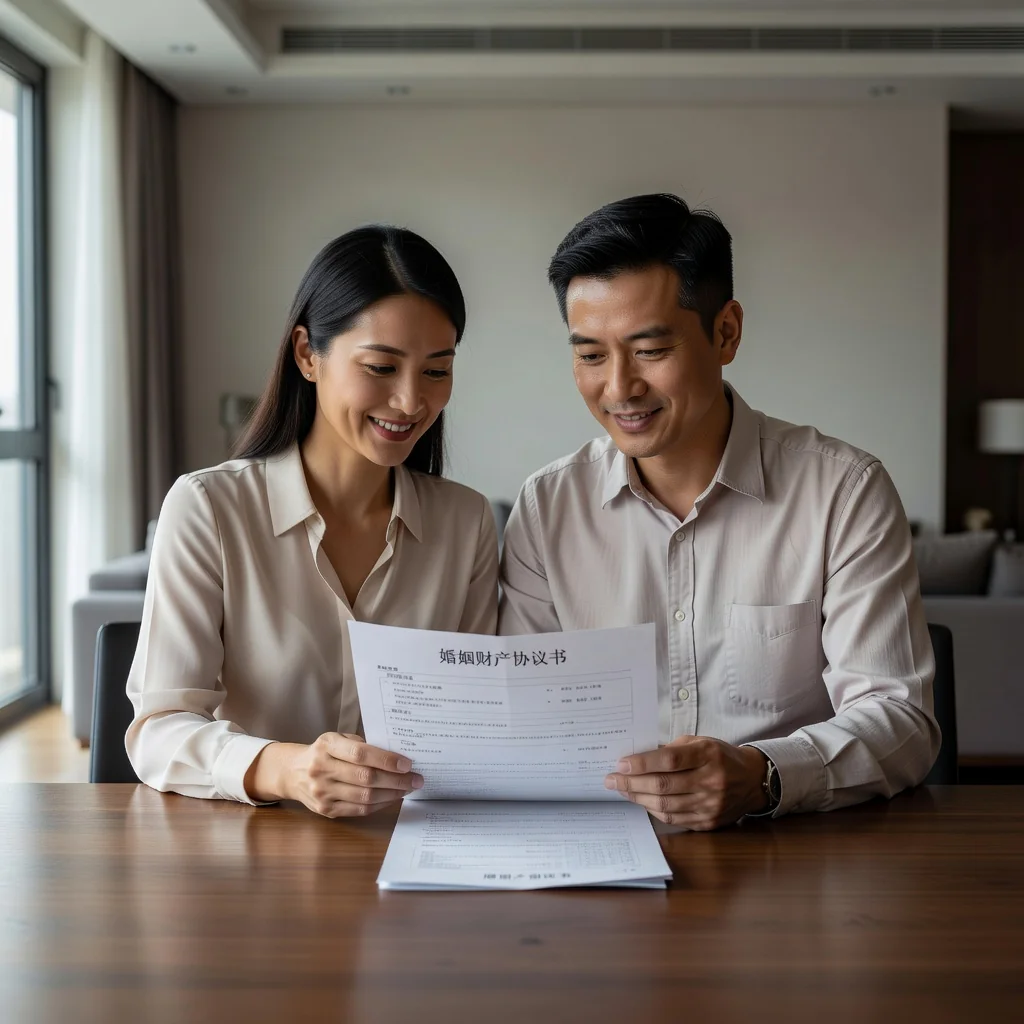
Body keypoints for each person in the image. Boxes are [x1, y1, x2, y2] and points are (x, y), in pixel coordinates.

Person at [499, 193, 939, 830]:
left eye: (650, 350)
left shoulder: (844, 491)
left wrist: (763, 774)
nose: (618, 388)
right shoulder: (548, 507)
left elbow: (902, 721)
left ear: (726, 332)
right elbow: (526, 716)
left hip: (791, 859)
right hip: (599, 863)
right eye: (591, 355)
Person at [127, 226, 498, 817]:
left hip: (418, 851)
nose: (410, 402)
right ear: (307, 354)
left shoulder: (466, 522)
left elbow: (478, 720)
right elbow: (158, 732)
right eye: (381, 367)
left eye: (435, 371)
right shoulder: (209, 509)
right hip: (252, 856)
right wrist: (288, 769)